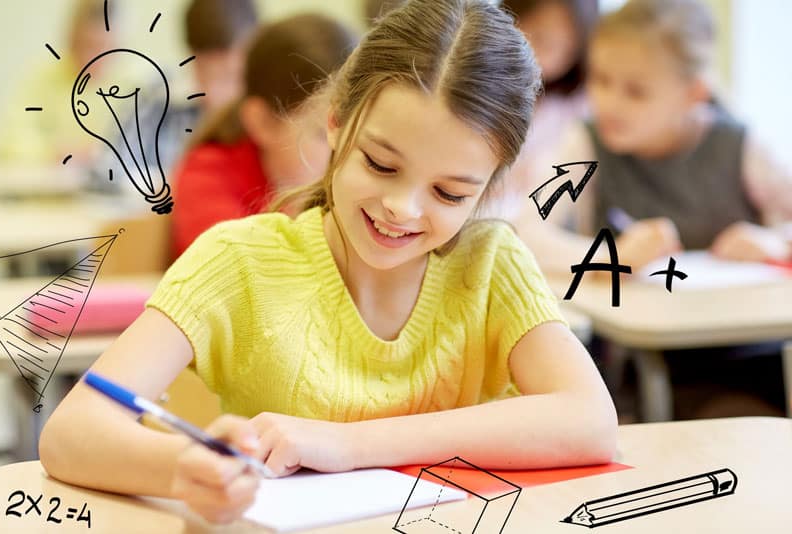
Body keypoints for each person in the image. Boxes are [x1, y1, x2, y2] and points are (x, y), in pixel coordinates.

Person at [39, 0, 617, 525]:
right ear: (337, 122)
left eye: (449, 194)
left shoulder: (490, 264)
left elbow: (590, 422)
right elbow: (72, 432)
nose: (402, 208)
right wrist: (180, 468)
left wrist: (348, 444)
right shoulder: (240, 260)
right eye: (381, 164)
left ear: (492, 184)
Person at [517, 0, 792, 273]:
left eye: (636, 91)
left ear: (693, 94)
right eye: (600, 79)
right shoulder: (584, 141)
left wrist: (777, 241)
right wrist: (611, 256)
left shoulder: (742, 146)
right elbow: (525, 230)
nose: (608, 103)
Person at [171, 14, 358, 256]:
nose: (342, 151)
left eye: (353, 134)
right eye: (322, 134)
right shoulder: (208, 175)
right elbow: (239, 270)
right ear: (262, 122)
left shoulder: (344, 185)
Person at [89, 0, 261, 196]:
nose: (213, 92)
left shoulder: (265, 114)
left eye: (228, 75)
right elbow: (108, 168)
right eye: (202, 71)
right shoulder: (157, 97)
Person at [487, 0, 597, 221]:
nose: (548, 57)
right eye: (539, 37)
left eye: (565, 48)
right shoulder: (482, 87)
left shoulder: (577, 105)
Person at [0, 0, 117, 165]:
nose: (90, 58)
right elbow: (9, 140)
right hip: (41, 186)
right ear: (70, 38)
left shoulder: (135, 86)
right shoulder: (41, 78)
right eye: (84, 45)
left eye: (101, 47)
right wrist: (53, 151)